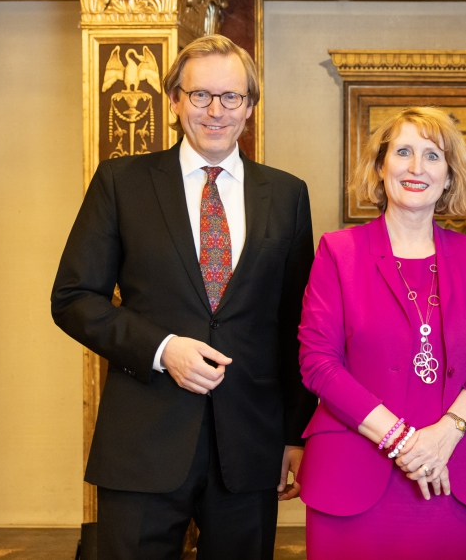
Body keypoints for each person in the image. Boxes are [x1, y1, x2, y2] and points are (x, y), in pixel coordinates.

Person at [51, 34, 317, 559]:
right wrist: (162, 348)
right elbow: (74, 297)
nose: (216, 111)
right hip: (143, 442)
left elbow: (296, 323)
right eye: (200, 95)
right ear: (174, 100)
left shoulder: (287, 194)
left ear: (249, 106)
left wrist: (295, 433)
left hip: (250, 445)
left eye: (231, 97)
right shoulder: (122, 182)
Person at [296, 106, 466, 559]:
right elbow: (318, 363)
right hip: (354, 474)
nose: (417, 168)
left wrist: (446, 434)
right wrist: (403, 441)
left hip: (448, 470)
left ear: (449, 176)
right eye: (403, 152)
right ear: (380, 166)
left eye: (433, 156)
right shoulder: (338, 252)